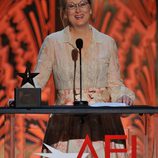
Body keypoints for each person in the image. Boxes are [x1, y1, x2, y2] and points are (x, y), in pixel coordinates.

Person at [32, 0, 135, 157]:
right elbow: (37, 81)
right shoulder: (53, 42)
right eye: (72, 6)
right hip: (66, 126)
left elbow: (115, 84)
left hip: (102, 126)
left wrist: (123, 96)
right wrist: (21, 98)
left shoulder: (107, 43)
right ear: (65, 12)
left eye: (82, 4)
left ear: (91, 9)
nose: (78, 10)